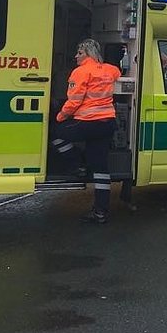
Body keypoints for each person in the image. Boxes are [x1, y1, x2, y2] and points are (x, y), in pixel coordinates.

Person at [53, 39, 121, 224]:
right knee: (100, 168)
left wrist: (59, 117)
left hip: (87, 122)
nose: (76, 56)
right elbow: (118, 74)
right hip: (107, 123)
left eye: (79, 53)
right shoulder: (110, 69)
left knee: (56, 135)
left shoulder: (80, 72)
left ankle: (78, 164)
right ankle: (100, 212)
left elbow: (73, 101)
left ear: (89, 53)